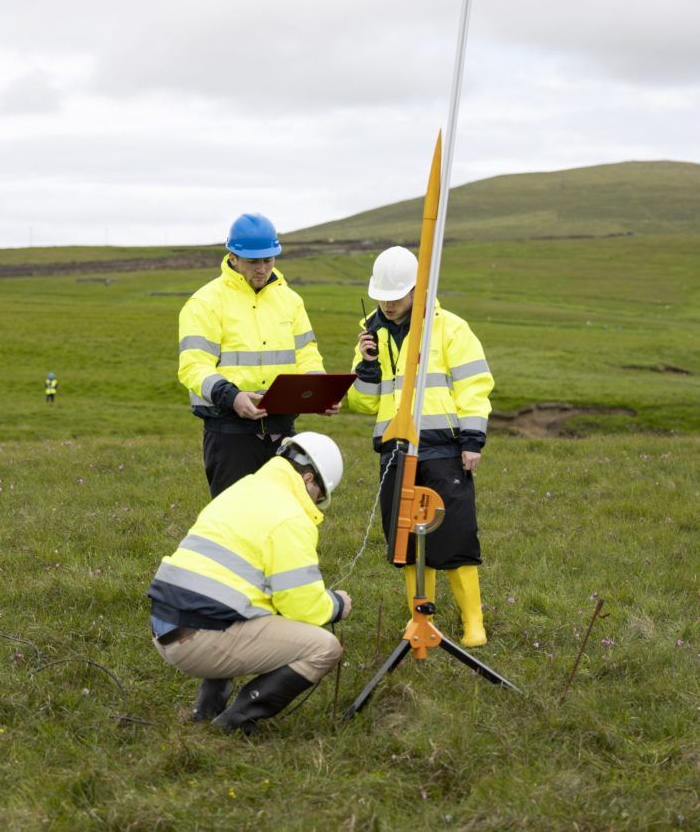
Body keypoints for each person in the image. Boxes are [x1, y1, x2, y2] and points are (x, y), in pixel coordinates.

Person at [147, 431, 351, 735]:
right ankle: (234, 722)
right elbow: (302, 606)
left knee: (248, 607)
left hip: (165, 625)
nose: (318, 504)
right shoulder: (291, 517)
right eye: (320, 496)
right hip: (197, 640)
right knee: (324, 647)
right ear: (309, 479)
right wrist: (337, 605)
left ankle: (207, 710)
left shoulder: (243, 489)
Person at [347, 246, 494, 647]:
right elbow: (361, 402)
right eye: (382, 296)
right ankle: (419, 618)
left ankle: (473, 623)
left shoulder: (450, 328)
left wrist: (472, 439)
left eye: (395, 297)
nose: (387, 304)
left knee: (455, 534)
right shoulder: (370, 334)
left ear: (417, 289)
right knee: (406, 539)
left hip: (443, 448)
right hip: (395, 448)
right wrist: (366, 367)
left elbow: (474, 386)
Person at [178, 212, 338, 497]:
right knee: (233, 521)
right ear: (233, 257)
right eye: (253, 261)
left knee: (282, 518)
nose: (262, 269)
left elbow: (307, 355)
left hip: (283, 430)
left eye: (269, 259)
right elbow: (193, 366)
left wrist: (319, 390)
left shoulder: (290, 300)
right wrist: (233, 397)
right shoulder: (205, 302)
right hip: (230, 432)